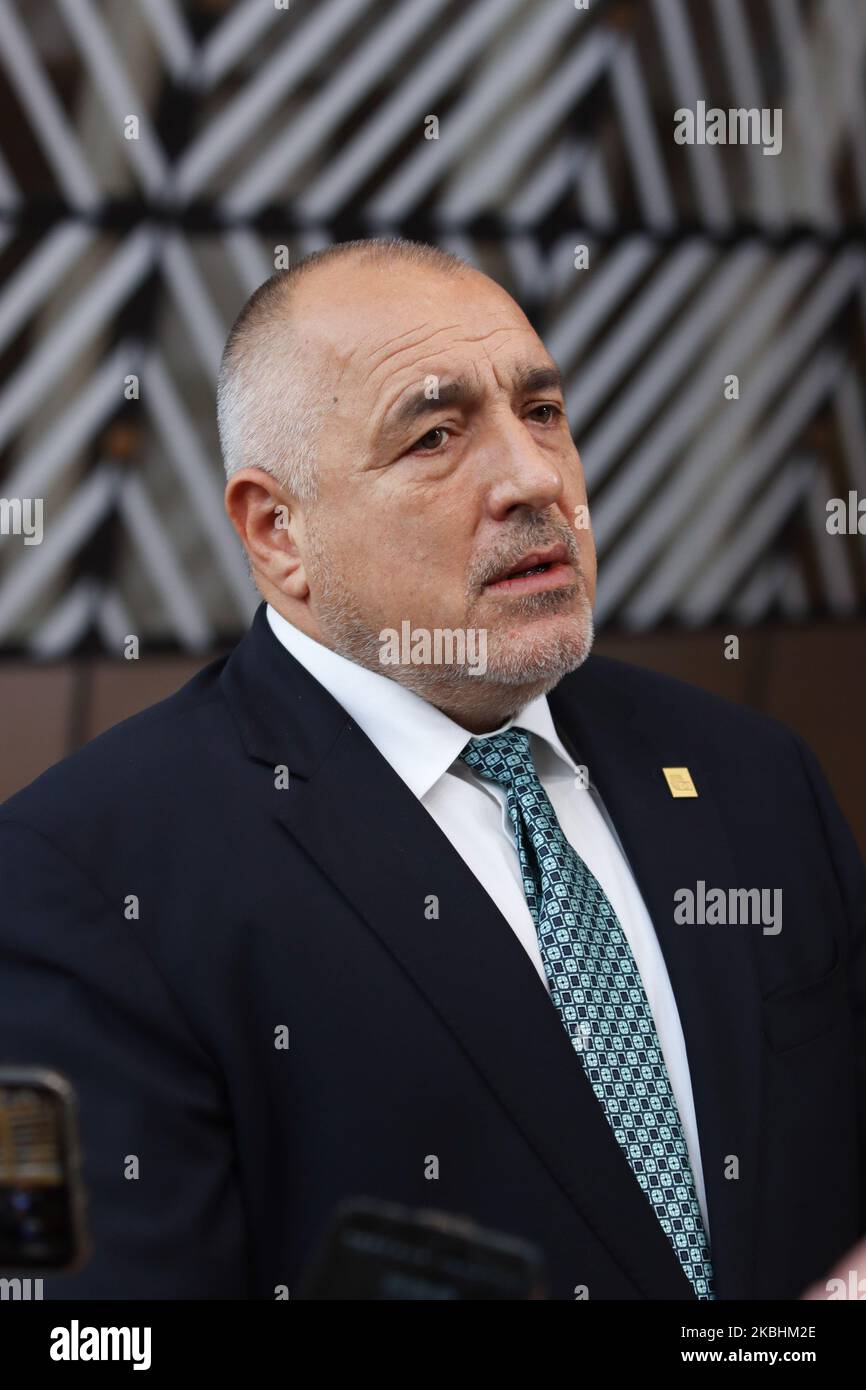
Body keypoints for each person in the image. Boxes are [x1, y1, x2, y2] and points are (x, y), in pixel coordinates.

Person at [1, 238, 863, 1300]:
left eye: (541, 412)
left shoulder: (749, 775)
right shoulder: (88, 878)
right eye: (435, 434)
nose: (532, 478)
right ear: (278, 533)